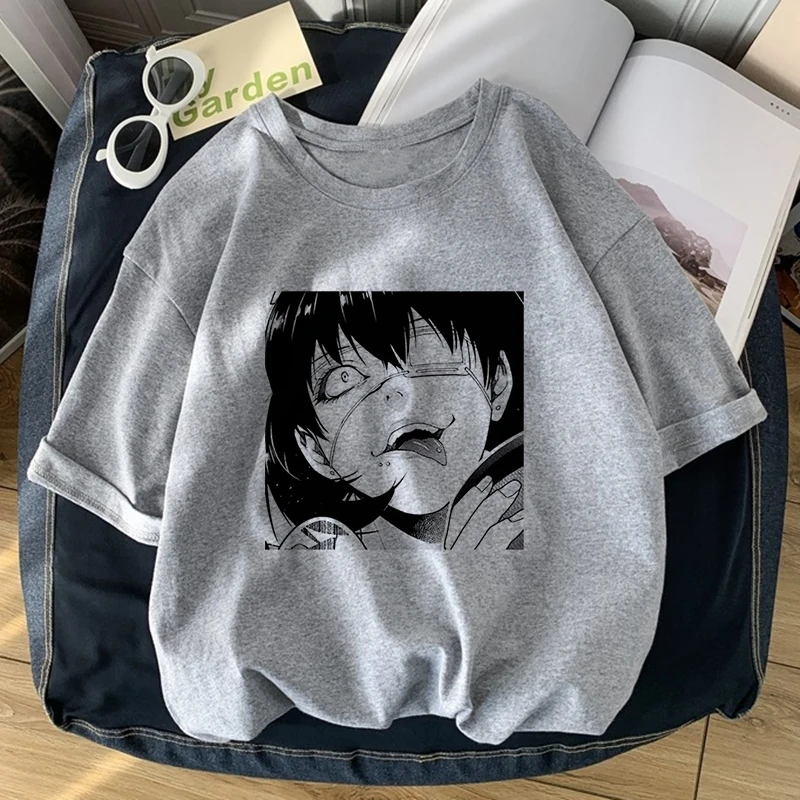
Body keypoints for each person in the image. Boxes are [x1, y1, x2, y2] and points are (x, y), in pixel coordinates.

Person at [264, 291, 524, 550]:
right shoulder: (321, 547)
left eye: (429, 354)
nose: (398, 393)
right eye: (344, 378)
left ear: (497, 383)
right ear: (314, 450)